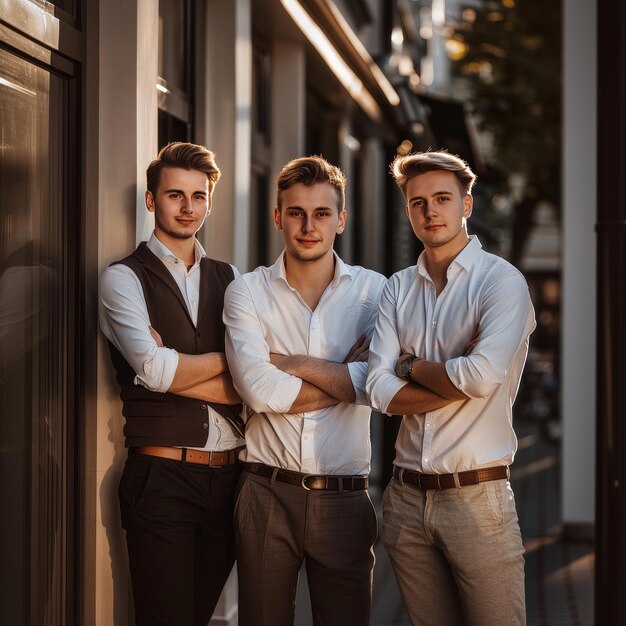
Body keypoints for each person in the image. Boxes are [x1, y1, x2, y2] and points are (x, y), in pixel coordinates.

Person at [366, 150, 535, 626]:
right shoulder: (397, 288)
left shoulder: (501, 283)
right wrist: (455, 374)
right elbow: (377, 389)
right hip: (403, 499)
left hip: (476, 499)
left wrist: (410, 364)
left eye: (442, 198)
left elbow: (481, 377)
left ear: (466, 204)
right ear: (407, 210)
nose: (430, 211)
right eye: (417, 202)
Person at [223, 155, 386, 626]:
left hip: (345, 496)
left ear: (341, 219)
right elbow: (258, 392)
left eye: (321, 213)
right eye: (295, 212)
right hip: (264, 492)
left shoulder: (376, 293)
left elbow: (378, 384)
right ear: (278, 217)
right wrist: (345, 376)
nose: (308, 226)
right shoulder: (247, 291)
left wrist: (294, 364)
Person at [99, 142, 245, 626]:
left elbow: (255, 379)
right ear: (150, 200)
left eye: (198, 196)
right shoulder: (123, 278)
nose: (188, 207)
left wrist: (175, 366)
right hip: (162, 479)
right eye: (174, 195)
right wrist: (229, 365)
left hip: (231, 480)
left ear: (210, 200)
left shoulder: (232, 280)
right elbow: (154, 369)